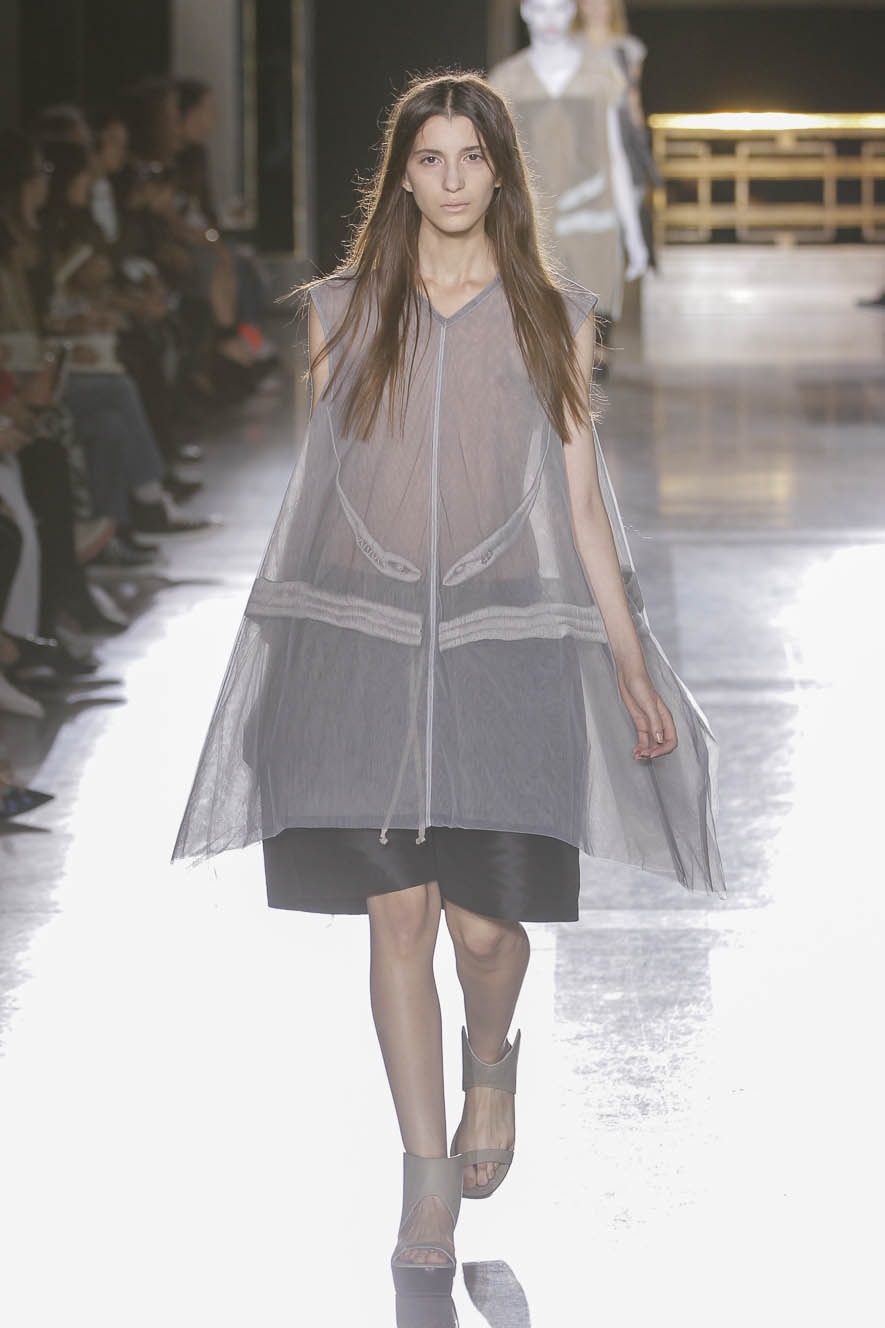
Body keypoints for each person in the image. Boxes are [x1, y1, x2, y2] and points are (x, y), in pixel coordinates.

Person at [174, 72, 723, 1299]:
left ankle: (490, 1060)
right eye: (431, 158)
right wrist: (288, 651)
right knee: (398, 917)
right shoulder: (341, 311)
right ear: (404, 176)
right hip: (361, 636)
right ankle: (425, 1177)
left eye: (473, 156)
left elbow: (583, 505)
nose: (454, 178)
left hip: (503, 639)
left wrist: (631, 661)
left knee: (484, 930)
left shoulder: (555, 318)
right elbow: (323, 490)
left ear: (502, 172)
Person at [489, 0, 648, 374]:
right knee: (536, 345)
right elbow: (498, 159)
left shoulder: (601, 75)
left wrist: (633, 233)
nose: (549, 19)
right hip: (531, 219)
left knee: (588, 357)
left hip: (593, 217)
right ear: (524, 11)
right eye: (539, 8)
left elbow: (615, 154)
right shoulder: (506, 80)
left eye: (559, 8)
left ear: (570, 11)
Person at [576, 0, 661, 267]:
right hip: (580, 137)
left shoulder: (628, 49)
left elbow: (633, 100)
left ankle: (618, 271)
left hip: (618, 136)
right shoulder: (567, 47)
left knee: (622, 212)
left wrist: (640, 146)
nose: (596, 7)